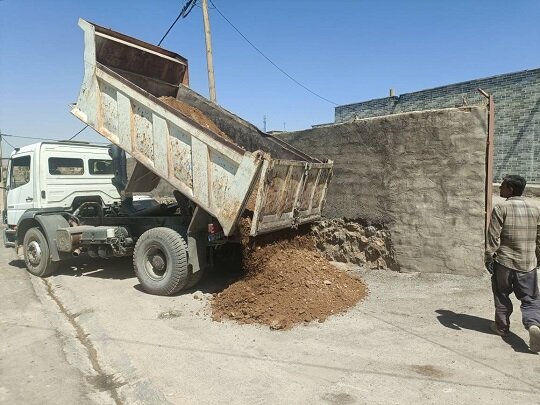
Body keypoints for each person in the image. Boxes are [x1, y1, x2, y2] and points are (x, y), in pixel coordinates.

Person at [486, 175, 540, 353]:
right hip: (528, 263)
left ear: (510, 189)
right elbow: (539, 238)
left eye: (502, 186)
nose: (499, 189)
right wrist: (537, 257)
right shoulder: (535, 208)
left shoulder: (501, 207)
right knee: (530, 298)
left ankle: (501, 327)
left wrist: (489, 256)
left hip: (505, 262)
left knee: (501, 293)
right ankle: (533, 325)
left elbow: (493, 236)